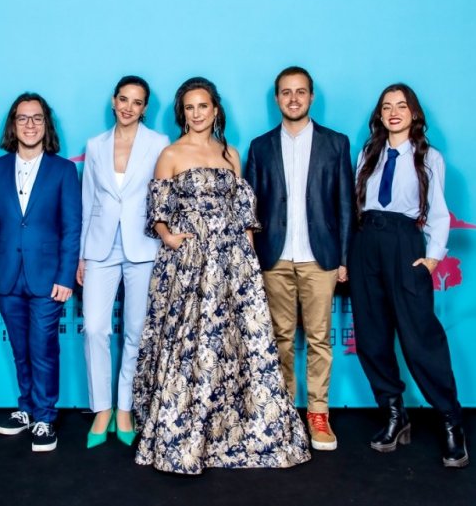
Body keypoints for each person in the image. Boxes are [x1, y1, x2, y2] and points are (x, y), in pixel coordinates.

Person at [132, 77, 311, 474]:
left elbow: (244, 214)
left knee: (236, 344)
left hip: (232, 263)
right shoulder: (171, 154)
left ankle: (235, 430)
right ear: (183, 114)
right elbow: (158, 209)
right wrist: (170, 238)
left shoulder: (231, 153)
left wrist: (248, 257)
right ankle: (187, 436)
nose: (197, 114)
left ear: (215, 110)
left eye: (203, 106)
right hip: (190, 265)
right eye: (190, 107)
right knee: (191, 344)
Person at [349, 83, 468, 468]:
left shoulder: (428, 157)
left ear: (414, 113)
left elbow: (439, 212)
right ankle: (394, 413)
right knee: (371, 336)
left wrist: (432, 259)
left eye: (401, 105)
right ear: (380, 115)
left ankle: (450, 419)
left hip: (404, 243)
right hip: (367, 242)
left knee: (420, 337)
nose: (394, 112)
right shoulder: (368, 152)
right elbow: (355, 205)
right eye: (387, 107)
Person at [245, 66, 354, 451]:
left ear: (311, 97)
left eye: (300, 92)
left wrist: (344, 258)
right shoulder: (260, 147)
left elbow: (346, 205)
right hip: (274, 257)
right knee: (280, 339)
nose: (293, 99)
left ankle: (318, 413)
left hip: (319, 257)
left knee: (320, 338)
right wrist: (252, 258)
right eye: (286, 92)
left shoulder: (335, 143)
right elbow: (249, 210)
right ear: (277, 98)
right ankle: (283, 411)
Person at [0, 92, 81, 453]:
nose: (30, 124)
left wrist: (65, 277)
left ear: (46, 124)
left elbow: (72, 228)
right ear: (13, 124)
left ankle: (45, 416)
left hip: (47, 278)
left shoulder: (63, 170)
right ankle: (26, 408)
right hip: (6, 276)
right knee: (21, 349)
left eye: (37, 118)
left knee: (43, 348)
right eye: (23, 118)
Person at [77, 76, 168, 448]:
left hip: (143, 246)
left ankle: (125, 408)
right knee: (95, 328)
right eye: (124, 99)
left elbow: (163, 197)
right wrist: (82, 255)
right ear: (113, 101)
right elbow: (88, 202)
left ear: (144, 108)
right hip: (100, 247)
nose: (129, 107)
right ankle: (102, 408)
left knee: (136, 330)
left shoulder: (159, 144)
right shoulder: (94, 145)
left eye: (137, 102)